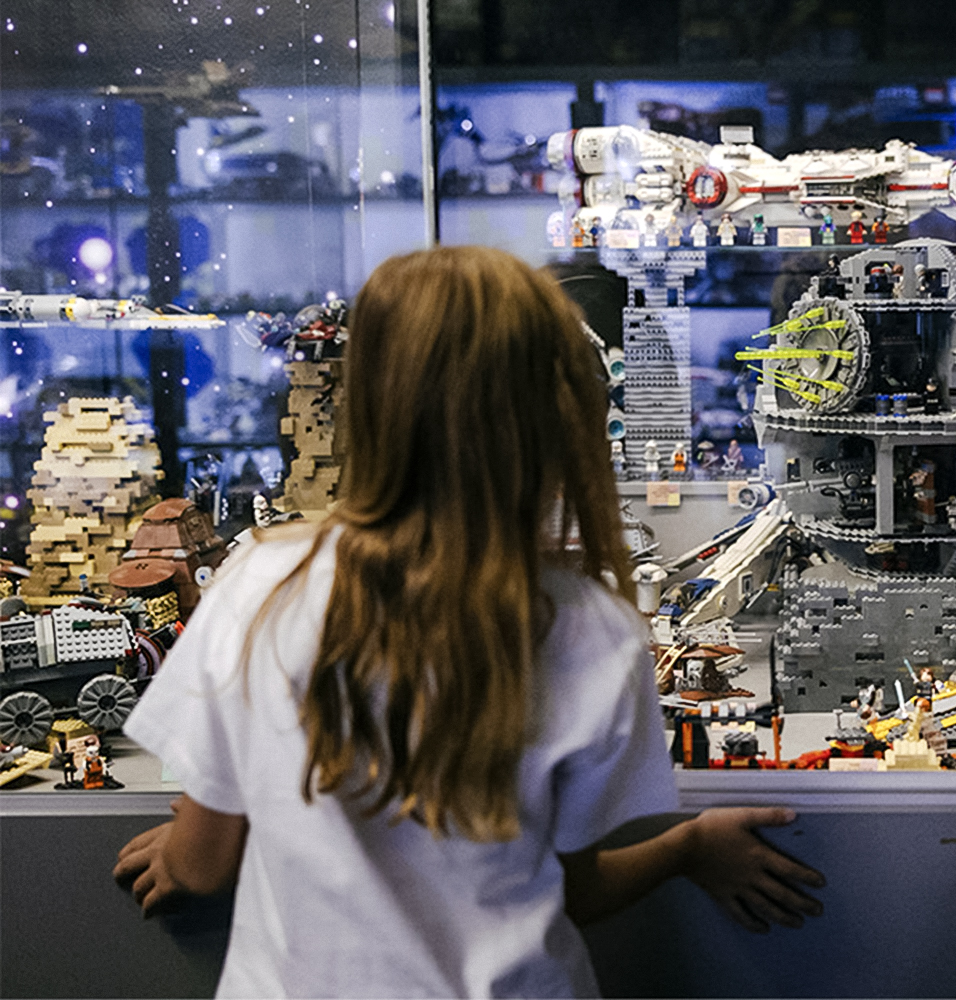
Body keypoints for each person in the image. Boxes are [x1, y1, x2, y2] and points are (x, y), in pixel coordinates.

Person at [111, 246, 824, 998]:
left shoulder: (261, 582)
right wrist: (686, 847)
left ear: (372, 398)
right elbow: (577, 890)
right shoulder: (595, 631)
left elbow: (199, 864)